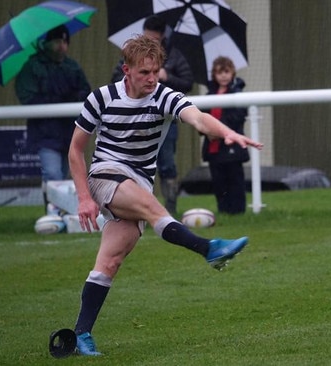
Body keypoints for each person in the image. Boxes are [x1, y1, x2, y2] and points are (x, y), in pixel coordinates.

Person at [68, 34, 263, 356]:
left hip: (139, 181)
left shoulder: (164, 96)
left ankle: (80, 336)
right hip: (105, 174)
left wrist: (227, 132)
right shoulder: (101, 97)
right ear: (125, 69)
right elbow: (75, 150)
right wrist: (83, 197)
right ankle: (208, 248)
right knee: (152, 207)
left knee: (110, 262)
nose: (151, 78)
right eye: (144, 72)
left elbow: (198, 118)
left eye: (156, 71)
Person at [111, 15, 194, 215]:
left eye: (153, 39)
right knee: (132, 167)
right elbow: (115, 79)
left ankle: (170, 210)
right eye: (145, 36)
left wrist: (168, 77)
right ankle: (136, 210)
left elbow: (188, 83)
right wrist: (135, 78)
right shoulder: (131, 54)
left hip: (164, 122)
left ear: (162, 36)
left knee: (167, 166)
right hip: (135, 120)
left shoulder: (174, 55)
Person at [15, 24, 91, 213]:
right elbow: (27, 97)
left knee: (66, 174)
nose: (62, 46)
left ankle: (64, 210)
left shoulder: (72, 66)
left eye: (65, 41)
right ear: (47, 43)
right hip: (45, 132)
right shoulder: (32, 67)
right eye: (57, 41)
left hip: (69, 131)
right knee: (53, 173)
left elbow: (85, 90)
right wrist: (54, 98)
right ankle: (53, 212)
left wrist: (71, 97)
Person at [202, 57, 250, 214]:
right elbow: (202, 118)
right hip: (213, 147)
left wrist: (218, 129)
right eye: (219, 72)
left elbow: (238, 116)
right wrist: (207, 131)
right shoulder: (210, 94)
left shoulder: (237, 93)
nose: (223, 76)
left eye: (226, 72)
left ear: (232, 73)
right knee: (218, 182)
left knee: (235, 180)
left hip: (231, 147)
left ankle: (238, 211)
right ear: (214, 75)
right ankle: (223, 211)